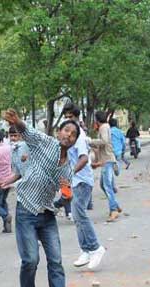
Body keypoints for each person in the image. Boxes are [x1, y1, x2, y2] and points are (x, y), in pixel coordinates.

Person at [0, 108, 78, 287]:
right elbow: (29, 132)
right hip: (26, 210)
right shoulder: (44, 142)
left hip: (47, 214)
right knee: (31, 260)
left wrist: (66, 196)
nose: (67, 136)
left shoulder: (67, 167)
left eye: (72, 134)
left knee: (56, 262)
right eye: (65, 131)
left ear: (74, 141)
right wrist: (18, 122)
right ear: (59, 131)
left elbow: (65, 189)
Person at [63, 103, 106, 270]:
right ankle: (86, 250)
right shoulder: (71, 137)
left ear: (77, 117)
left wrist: (71, 172)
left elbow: (82, 158)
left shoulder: (79, 137)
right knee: (76, 216)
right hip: (76, 181)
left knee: (79, 213)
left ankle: (96, 247)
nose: (68, 121)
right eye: (66, 117)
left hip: (82, 180)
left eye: (71, 117)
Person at [92, 111, 121, 222]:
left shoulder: (103, 127)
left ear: (97, 120)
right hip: (106, 160)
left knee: (107, 185)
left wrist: (90, 141)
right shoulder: (105, 127)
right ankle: (116, 205)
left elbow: (103, 141)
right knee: (103, 185)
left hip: (107, 160)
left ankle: (113, 210)